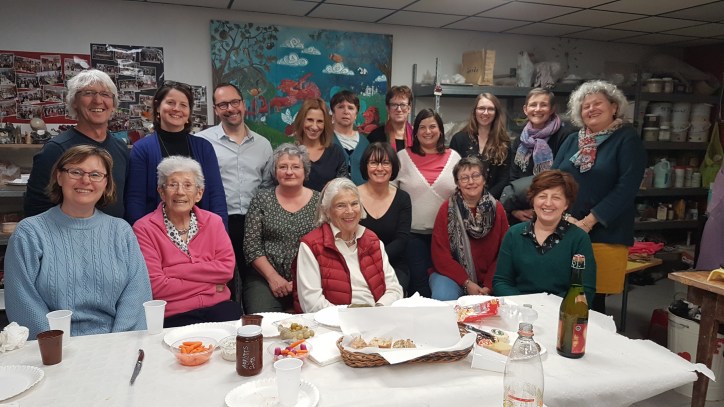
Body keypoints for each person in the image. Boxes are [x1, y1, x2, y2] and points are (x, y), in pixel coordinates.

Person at [5, 146, 152, 337]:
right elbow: (22, 302)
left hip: (116, 343)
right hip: (52, 348)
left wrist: (117, 343)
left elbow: (137, 296)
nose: (85, 180)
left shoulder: (121, 232)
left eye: (96, 174)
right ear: (59, 177)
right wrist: (56, 345)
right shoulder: (30, 233)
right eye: (75, 172)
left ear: (106, 183)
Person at [553, 80, 645, 313]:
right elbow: (553, 179)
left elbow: (627, 188)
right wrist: (562, 217)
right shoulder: (572, 140)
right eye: (586, 106)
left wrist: (588, 222)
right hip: (566, 228)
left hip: (604, 231)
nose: (591, 109)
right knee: (561, 292)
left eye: (598, 103)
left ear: (614, 107)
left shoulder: (627, 139)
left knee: (591, 299)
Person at [132, 156, 240, 327]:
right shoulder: (144, 228)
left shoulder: (214, 222)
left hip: (218, 307)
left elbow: (226, 270)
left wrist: (173, 271)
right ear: (161, 192)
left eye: (188, 185)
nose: (180, 192)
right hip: (174, 314)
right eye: (172, 185)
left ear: (199, 193)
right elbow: (156, 286)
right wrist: (211, 287)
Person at [196, 82, 273, 303]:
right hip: (217, 223)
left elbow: (267, 187)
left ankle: (253, 319)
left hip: (254, 224)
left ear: (243, 104)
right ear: (215, 109)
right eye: (223, 104)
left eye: (234, 102)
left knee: (254, 282)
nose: (230, 108)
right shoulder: (203, 141)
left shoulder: (263, 144)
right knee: (221, 282)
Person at [24, 69, 129, 218]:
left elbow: (125, 200)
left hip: (114, 232)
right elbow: (36, 209)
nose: (98, 100)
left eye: (105, 94)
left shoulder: (121, 148)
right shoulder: (56, 150)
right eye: (88, 93)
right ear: (74, 102)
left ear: (113, 104)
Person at [125, 80, 227, 227]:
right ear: (158, 107)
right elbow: (135, 200)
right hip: (155, 234)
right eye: (170, 102)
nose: (176, 109)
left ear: (189, 112)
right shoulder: (142, 149)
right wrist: (140, 236)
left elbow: (216, 196)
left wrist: (220, 233)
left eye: (183, 105)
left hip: (201, 233)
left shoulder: (204, 148)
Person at [293, 177, 403, 313]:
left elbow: (394, 289)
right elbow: (311, 303)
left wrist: (378, 309)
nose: (350, 211)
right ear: (327, 211)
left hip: (376, 315)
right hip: (332, 321)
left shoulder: (372, 240)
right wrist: (350, 316)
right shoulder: (311, 245)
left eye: (354, 204)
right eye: (341, 205)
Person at [494, 170, 596, 305]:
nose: (548, 203)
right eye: (542, 196)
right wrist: (525, 306)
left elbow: (585, 289)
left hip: (560, 311)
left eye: (556, 198)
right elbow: (501, 282)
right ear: (533, 200)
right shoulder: (514, 234)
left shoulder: (579, 238)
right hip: (519, 310)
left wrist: (545, 307)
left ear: (566, 204)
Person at [243, 143, 320, 313]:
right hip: (265, 278)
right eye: (283, 167)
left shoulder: (320, 201)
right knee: (264, 321)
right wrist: (273, 278)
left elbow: (325, 245)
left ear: (305, 171)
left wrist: (300, 282)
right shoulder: (261, 200)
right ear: (275, 171)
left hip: (311, 278)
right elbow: (251, 246)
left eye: (295, 167)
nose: (289, 172)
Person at [394, 108, 461, 297]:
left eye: (432, 126)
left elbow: (463, 191)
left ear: (440, 130)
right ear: (415, 132)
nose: (427, 131)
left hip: (447, 237)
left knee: (444, 286)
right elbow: (390, 194)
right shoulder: (402, 157)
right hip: (412, 235)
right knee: (419, 286)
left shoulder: (454, 158)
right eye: (422, 127)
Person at [429, 156, 509, 300]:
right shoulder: (447, 209)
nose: (471, 182)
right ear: (457, 183)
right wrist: (466, 282)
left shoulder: (498, 209)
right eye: (464, 178)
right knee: (444, 297)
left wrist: (488, 285)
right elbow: (440, 255)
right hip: (452, 276)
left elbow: (504, 253)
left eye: (476, 176)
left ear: (484, 179)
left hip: (491, 277)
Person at [505, 88, 573, 225]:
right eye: (533, 105)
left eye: (543, 105)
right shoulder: (520, 140)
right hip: (522, 212)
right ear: (525, 109)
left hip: (551, 209)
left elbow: (562, 177)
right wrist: (514, 211)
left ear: (552, 109)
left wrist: (539, 208)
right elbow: (513, 177)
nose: (537, 109)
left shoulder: (565, 136)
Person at [358, 142, 412, 292]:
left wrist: (376, 259)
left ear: (393, 167)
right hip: (357, 264)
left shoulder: (403, 198)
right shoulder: (352, 196)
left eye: (386, 163)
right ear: (365, 166)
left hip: (393, 265)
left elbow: (401, 240)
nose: (380, 168)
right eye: (374, 163)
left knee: (392, 294)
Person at [449, 93, 510, 199]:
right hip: (463, 199)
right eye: (481, 108)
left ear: (496, 113)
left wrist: (486, 198)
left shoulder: (504, 142)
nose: (485, 112)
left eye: (490, 109)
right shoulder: (459, 139)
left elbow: (504, 178)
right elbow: (453, 173)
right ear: (475, 111)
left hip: (492, 200)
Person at [292, 98, 348, 191]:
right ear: (301, 121)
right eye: (310, 120)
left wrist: (335, 185)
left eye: (320, 121)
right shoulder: (290, 153)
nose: (314, 127)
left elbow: (345, 187)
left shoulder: (335, 152)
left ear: (325, 124)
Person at [331, 90, 369, 185]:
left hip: (361, 193)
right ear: (333, 112)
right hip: (332, 193)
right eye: (341, 107)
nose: (346, 111)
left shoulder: (365, 143)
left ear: (356, 114)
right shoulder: (325, 140)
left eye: (351, 108)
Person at [367, 85, 414, 151]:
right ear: (388, 108)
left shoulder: (416, 136)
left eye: (403, 105)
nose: (399, 109)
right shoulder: (375, 136)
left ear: (409, 109)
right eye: (394, 105)